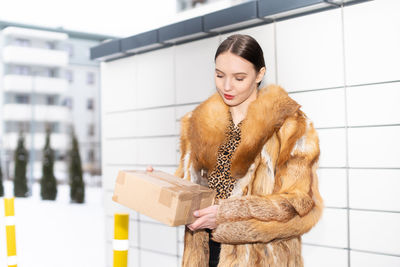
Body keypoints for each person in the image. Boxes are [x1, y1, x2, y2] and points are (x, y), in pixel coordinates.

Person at [147, 34, 323, 267]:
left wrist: (225, 215)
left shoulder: (288, 126)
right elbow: (190, 189)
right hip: (204, 253)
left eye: (239, 78)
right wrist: (160, 184)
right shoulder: (197, 123)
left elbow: (300, 205)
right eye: (219, 75)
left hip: (261, 259)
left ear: (260, 74)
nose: (226, 86)